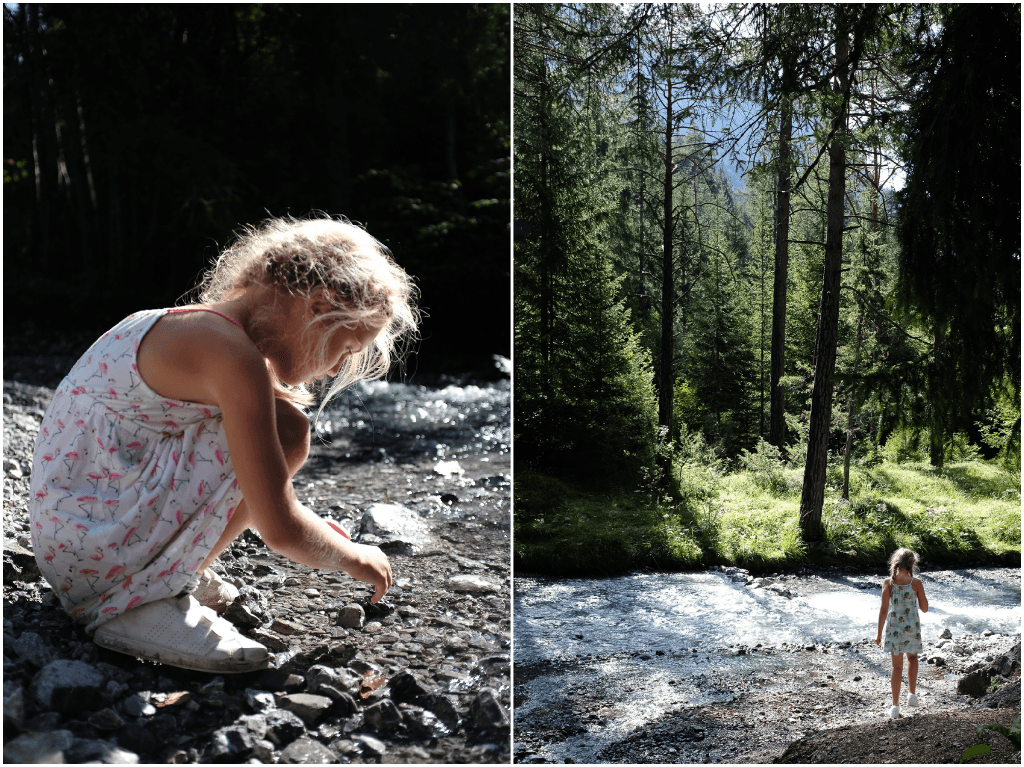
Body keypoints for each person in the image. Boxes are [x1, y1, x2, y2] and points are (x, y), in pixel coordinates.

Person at [29, 215, 418, 674]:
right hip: (90, 548)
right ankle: (133, 605)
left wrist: (309, 524)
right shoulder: (231, 355)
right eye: (347, 348)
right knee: (288, 432)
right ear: (319, 306)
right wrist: (357, 557)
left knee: (287, 427)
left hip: (71, 532)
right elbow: (282, 529)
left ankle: (165, 575)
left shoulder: (199, 329)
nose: (336, 369)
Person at [875, 547, 929, 718]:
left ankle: (895, 706)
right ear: (912, 564)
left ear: (895, 563)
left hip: (894, 629)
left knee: (896, 667)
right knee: (912, 659)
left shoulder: (888, 583)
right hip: (912, 627)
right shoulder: (916, 583)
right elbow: (925, 608)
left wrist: (878, 634)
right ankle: (912, 695)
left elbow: (884, 610)